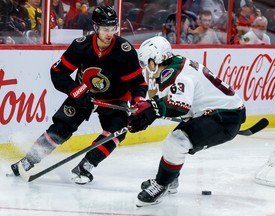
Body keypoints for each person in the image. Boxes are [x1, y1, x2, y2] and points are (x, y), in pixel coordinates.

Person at [11, 5, 148, 185]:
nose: (110, 33)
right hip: (83, 96)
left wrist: (139, 102)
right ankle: (29, 160)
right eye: (105, 29)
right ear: (95, 28)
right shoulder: (81, 45)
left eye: (113, 28)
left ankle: (86, 165)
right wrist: (76, 91)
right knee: (61, 128)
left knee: (116, 132)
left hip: (114, 99)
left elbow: (138, 83)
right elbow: (57, 72)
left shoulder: (125, 51)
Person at [128, 36, 246, 207]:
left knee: (176, 142)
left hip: (223, 118)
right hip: (215, 113)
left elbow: (179, 106)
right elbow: (168, 103)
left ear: (157, 59)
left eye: (146, 62)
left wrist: (152, 110)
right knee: (176, 142)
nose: (145, 67)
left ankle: (161, 185)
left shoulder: (178, 75)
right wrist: (149, 109)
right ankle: (170, 180)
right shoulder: (172, 65)